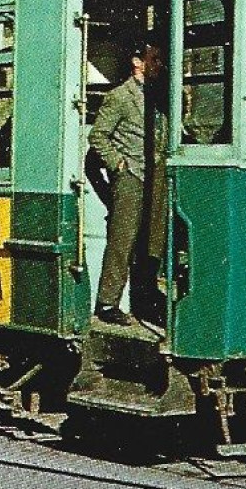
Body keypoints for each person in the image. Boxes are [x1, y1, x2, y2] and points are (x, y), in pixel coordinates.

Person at [88, 43, 166, 328]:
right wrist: (119, 164)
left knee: (152, 240)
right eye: (153, 59)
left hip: (155, 177)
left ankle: (144, 299)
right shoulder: (120, 96)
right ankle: (108, 302)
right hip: (131, 176)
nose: (159, 65)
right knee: (123, 240)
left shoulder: (157, 96)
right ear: (137, 62)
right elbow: (98, 137)